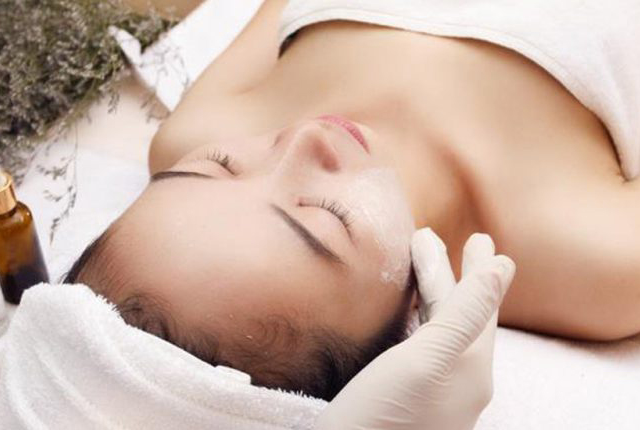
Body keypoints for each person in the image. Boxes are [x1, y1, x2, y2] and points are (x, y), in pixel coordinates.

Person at [67, 0, 640, 407]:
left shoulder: (188, 135)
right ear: (403, 333)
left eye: (219, 165)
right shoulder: (594, 261)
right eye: (326, 215)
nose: (303, 137)